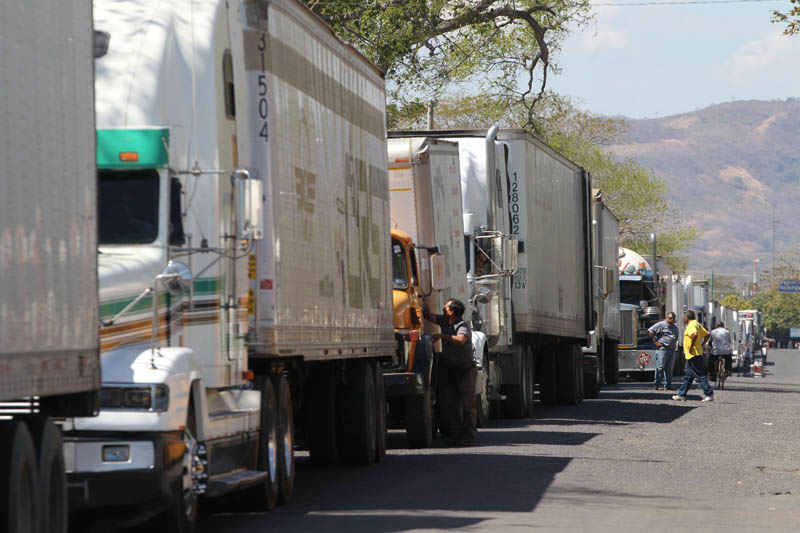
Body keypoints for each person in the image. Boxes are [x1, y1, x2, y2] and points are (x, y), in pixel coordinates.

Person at [422, 299, 477, 446]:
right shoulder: (445, 322)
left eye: (445, 308)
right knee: (450, 405)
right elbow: (427, 315)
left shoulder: (462, 326)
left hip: (465, 371)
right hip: (450, 371)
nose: (443, 310)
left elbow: (461, 340)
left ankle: (469, 436)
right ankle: (456, 435)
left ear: (452, 312)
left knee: (467, 406)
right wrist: (424, 297)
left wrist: (442, 336)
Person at [673, 310, 715, 402]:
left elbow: (694, 334)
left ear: (687, 318)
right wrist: (702, 343)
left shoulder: (692, 325)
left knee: (699, 374)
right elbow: (707, 334)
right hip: (693, 354)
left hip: (693, 354)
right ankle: (681, 394)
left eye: (685, 318)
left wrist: (692, 346)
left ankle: (709, 393)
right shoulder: (697, 324)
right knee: (689, 376)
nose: (684, 319)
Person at [648, 312, 680, 390]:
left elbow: (676, 337)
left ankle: (668, 386)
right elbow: (650, 331)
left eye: (673, 318)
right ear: (666, 318)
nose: (671, 320)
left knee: (669, 369)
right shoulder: (661, 325)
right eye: (670, 318)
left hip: (672, 350)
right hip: (663, 349)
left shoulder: (675, 327)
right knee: (660, 367)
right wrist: (655, 342)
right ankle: (657, 385)